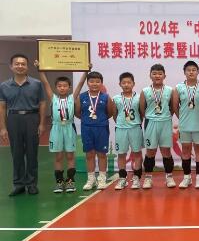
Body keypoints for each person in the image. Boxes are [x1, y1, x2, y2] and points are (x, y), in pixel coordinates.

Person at [35, 61, 88, 193]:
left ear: (69, 87)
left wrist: (86, 70)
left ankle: (70, 181)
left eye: (65, 86)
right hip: (56, 128)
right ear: (56, 88)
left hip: (69, 128)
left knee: (70, 156)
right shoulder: (53, 98)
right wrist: (40, 69)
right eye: (59, 86)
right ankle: (59, 182)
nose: (62, 88)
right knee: (58, 157)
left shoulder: (72, 98)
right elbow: (45, 83)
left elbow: (81, 84)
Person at [0, 54, 46, 196]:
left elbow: (42, 104)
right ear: (11, 66)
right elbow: (2, 107)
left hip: (32, 118)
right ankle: (18, 184)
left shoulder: (36, 84)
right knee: (16, 153)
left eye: (23, 64)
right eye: (17, 64)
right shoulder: (4, 86)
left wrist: (42, 123)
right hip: (13, 119)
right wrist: (3, 127)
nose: (20, 66)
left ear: (27, 66)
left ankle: (31, 184)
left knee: (32, 153)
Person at [75, 71, 115, 190]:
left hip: (101, 128)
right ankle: (91, 179)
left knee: (102, 154)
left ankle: (102, 179)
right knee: (89, 154)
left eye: (97, 81)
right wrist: (87, 120)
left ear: (101, 83)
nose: (94, 84)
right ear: (87, 83)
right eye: (92, 81)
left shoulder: (105, 97)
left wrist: (100, 120)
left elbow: (110, 112)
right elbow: (77, 112)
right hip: (87, 128)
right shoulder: (82, 97)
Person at [139, 64, 175, 189]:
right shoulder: (145, 91)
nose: (157, 76)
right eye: (154, 73)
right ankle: (148, 178)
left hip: (165, 122)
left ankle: (169, 177)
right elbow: (142, 109)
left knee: (166, 151)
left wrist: (165, 116)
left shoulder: (170, 90)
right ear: (150, 75)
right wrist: (151, 117)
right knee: (150, 151)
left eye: (160, 73)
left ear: (164, 75)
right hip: (151, 122)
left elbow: (173, 108)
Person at [174, 61, 199, 189]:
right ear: (184, 72)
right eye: (188, 70)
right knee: (185, 150)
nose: (191, 72)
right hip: (185, 125)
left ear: (198, 72)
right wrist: (182, 118)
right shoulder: (179, 87)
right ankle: (187, 178)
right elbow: (175, 106)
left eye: (194, 70)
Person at [113, 72, 143, 190]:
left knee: (137, 153)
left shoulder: (139, 97)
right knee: (121, 154)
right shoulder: (116, 98)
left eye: (129, 82)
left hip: (135, 128)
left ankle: (136, 178)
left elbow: (141, 113)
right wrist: (122, 123)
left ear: (133, 84)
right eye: (124, 83)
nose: (126, 85)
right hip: (121, 128)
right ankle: (122, 179)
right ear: (120, 84)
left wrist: (136, 122)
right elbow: (114, 114)